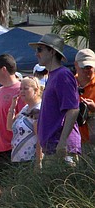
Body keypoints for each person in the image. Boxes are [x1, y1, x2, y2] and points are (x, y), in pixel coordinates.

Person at [31, 33, 80, 163]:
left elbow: (73, 110)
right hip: (53, 148)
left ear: (52, 51)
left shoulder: (62, 75)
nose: (36, 54)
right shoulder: (53, 75)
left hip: (61, 149)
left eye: (40, 49)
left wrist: (63, 142)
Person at [0, 54, 24, 184]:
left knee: (10, 188)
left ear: (3, 69)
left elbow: (26, 119)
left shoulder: (21, 90)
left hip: (11, 150)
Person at [7, 76, 42, 167]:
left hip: (30, 160)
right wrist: (12, 107)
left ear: (36, 90)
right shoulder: (25, 109)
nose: (22, 91)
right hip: (17, 158)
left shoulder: (38, 109)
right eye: (20, 88)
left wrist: (38, 162)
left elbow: (40, 138)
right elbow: (9, 127)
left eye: (26, 89)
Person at [75, 48, 95, 145]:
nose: (87, 70)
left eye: (89, 67)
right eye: (84, 67)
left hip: (91, 142)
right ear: (76, 65)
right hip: (72, 142)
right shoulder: (69, 84)